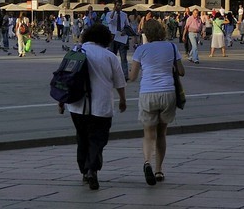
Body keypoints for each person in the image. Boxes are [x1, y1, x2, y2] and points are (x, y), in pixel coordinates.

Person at [62, 21, 128, 190]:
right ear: (105, 39)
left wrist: (61, 101)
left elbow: (64, 79)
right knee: (98, 139)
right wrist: (122, 100)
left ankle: (84, 170)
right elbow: (120, 82)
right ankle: (92, 168)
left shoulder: (75, 51)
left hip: (77, 105)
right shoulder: (109, 56)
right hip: (101, 106)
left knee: (82, 137)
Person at [128, 17, 182, 185]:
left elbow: (133, 76)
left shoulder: (141, 50)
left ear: (146, 33)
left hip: (148, 93)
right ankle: (159, 170)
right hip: (168, 92)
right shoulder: (172, 47)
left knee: (148, 134)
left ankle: (146, 162)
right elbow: (181, 71)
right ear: (162, 31)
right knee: (162, 133)